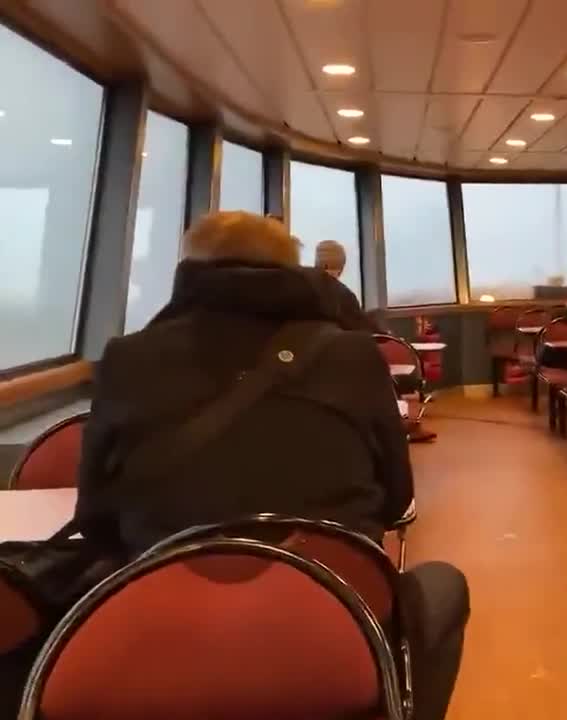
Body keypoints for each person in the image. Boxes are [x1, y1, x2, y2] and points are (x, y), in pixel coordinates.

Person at [0, 212, 468, 719]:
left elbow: (95, 519)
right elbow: (398, 500)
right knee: (442, 585)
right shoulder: (355, 356)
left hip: (148, 633)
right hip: (332, 626)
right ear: (295, 270)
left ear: (188, 270)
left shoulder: (128, 358)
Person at [313, 239, 385, 333]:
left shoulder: (303, 288)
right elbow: (367, 331)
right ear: (342, 265)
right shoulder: (345, 295)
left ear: (316, 262)